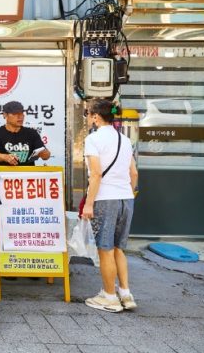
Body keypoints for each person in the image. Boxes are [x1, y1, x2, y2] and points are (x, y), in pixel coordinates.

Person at [82, 98, 138, 313]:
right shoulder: (124, 140)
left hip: (105, 199)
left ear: (95, 116)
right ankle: (125, 293)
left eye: (89, 114)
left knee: (105, 250)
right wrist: (128, 192)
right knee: (118, 249)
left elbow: (95, 174)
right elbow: (134, 173)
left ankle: (109, 297)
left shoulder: (94, 139)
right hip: (126, 198)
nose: (88, 118)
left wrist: (89, 204)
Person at [0, 100, 50, 166]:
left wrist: (45, 154)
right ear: (5, 115)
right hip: (4, 174)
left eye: (21, 113)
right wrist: (5, 157)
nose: (20, 117)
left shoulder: (32, 133)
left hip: (28, 175)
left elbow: (45, 154)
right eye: (15, 114)